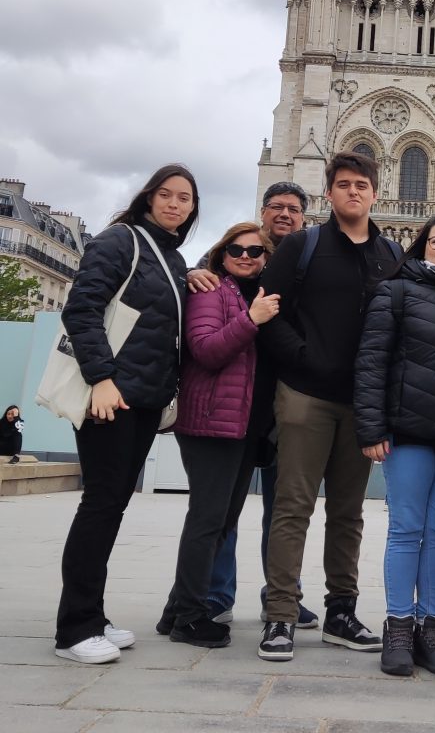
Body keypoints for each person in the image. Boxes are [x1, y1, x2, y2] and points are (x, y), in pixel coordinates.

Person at [256, 152, 400, 662]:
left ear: (375, 193)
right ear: (330, 194)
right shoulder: (302, 245)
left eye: (362, 185)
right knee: (293, 505)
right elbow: (266, 312)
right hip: (306, 396)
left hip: (361, 404)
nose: (353, 192)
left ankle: (341, 611)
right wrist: (303, 358)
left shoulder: (390, 254)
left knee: (348, 511)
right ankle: (280, 615)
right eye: (343, 185)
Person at [55, 164, 198, 664]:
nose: (176, 204)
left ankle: (91, 615)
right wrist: (101, 378)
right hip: (111, 396)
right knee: (100, 505)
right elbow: (82, 309)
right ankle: (74, 629)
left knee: (112, 505)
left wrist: (191, 275)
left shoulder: (172, 259)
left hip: (142, 398)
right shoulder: (120, 241)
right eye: (167, 194)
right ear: (148, 197)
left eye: (185, 198)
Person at [354, 212, 435, 678]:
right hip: (406, 430)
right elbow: (371, 362)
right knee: (407, 528)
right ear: (421, 245)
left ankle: (431, 625)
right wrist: (371, 428)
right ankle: (399, 625)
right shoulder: (396, 291)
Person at [189, 182, 318, 631]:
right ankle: (215, 593)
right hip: (238, 401)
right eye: (277, 207)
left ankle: (280, 595)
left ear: (305, 216)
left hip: (288, 398)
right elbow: (208, 288)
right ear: (263, 212)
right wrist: (193, 273)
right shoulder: (240, 259)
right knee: (226, 505)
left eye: (294, 209)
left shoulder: (309, 259)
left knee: (285, 508)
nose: (285, 215)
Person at [156, 222, 279, 647]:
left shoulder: (263, 295)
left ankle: (175, 609)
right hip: (211, 422)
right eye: (236, 249)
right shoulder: (210, 291)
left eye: (256, 251)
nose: (246, 256)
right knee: (208, 520)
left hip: (245, 425)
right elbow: (205, 350)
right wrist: (251, 320)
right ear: (221, 254)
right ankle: (190, 616)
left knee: (222, 520)